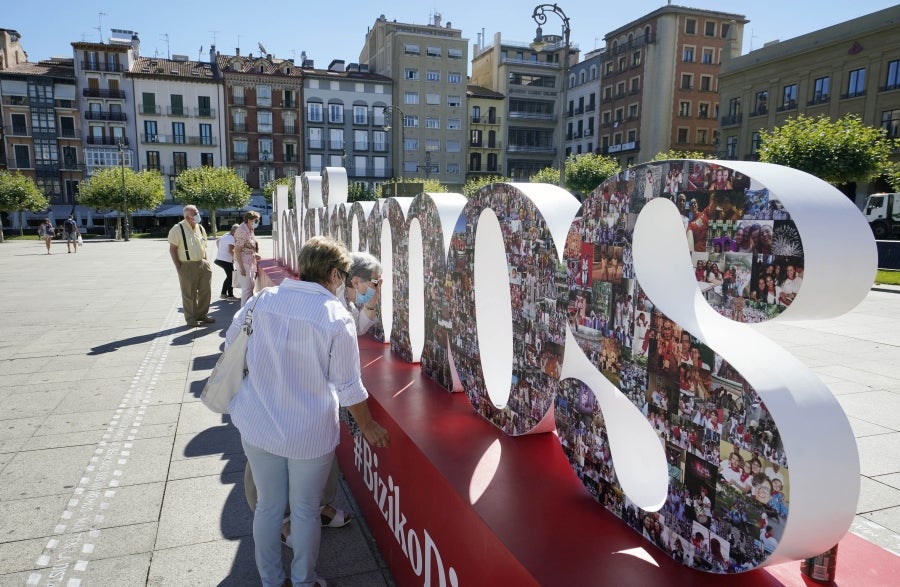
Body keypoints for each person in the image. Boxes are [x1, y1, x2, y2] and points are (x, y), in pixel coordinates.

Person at [228, 236, 390, 587]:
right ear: (334, 274)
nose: (347, 281)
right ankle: (303, 580)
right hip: (308, 432)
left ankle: (271, 581)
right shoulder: (334, 316)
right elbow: (348, 385)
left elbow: (231, 344)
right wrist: (369, 426)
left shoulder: (264, 299)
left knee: (269, 508)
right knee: (304, 511)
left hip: (258, 423)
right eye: (345, 275)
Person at [167, 205, 214, 327]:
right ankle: (191, 319)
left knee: (205, 291)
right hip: (187, 265)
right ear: (187, 216)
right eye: (195, 213)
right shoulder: (177, 229)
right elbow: (172, 249)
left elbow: (203, 247)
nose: (198, 215)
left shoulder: (200, 228)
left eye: (197, 212)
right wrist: (178, 266)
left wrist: (206, 261)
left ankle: (202, 314)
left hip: (202, 263)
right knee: (189, 294)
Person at [235, 211, 262, 307]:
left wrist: (254, 254)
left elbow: (249, 245)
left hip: (249, 261)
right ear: (249, 220)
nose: (257, 222)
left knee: (250, 287)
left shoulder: (250, 229)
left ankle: (248, 311)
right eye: (256, 220)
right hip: (244, 262)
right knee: (247, 289)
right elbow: (237, 250)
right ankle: (243, 314)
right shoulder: (242, 231)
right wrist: (242, 268)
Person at [215, 224, 240, 301]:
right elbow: (231, 251)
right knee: (231, 278)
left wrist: (221, 250)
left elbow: (217, 241)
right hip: (226, 261)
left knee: (229, 276)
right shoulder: (231, 238)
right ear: (235, 231)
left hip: (220, 259)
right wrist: (237, 260)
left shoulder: (226, 234)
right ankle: (230, 296)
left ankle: (223, 294)